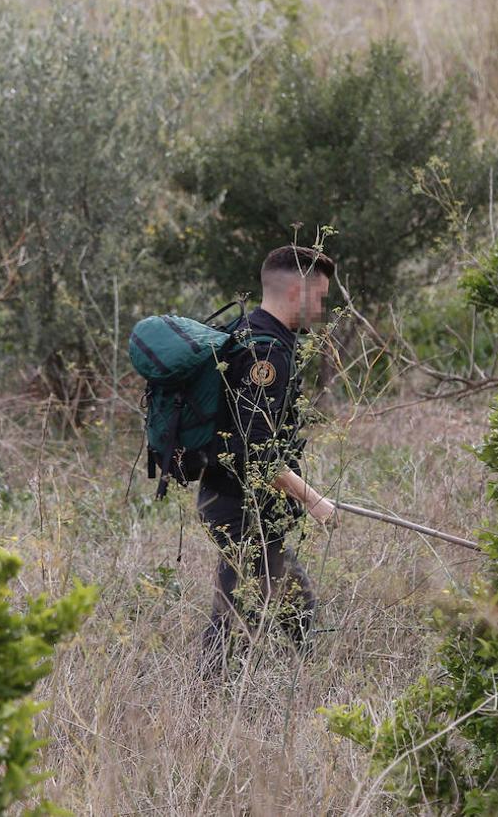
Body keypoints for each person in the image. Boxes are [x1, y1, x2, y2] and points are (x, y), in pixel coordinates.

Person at [198, 244, 338, 677]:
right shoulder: (267, 353)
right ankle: (208, 704)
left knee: (292, 606)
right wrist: (313, 498)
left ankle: (306, 684)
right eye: (319, 297)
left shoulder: (248, 332)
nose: (321, 309)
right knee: (239, 618)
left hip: (232, 501)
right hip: (240, 508)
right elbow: (256, 451)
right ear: (297, 291)